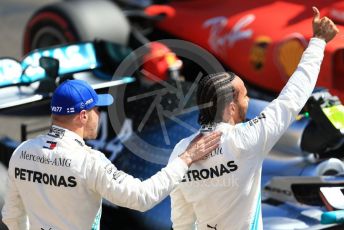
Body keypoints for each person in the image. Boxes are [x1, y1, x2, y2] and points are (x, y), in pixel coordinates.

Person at [168, 7, 339, 230]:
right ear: (231, 107)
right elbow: (292, 97)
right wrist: (317, 42)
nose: (248, 101)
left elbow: (181, 222)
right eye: (245, 96)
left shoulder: (180, 151)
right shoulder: (246, 138)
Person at [1, 79, 221, 230]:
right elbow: (142, 197)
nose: (100, 114)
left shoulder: (22, 152)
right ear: (83, 116)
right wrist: (186, 158)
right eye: (97, 109)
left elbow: (11, 216)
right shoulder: (89, 161)